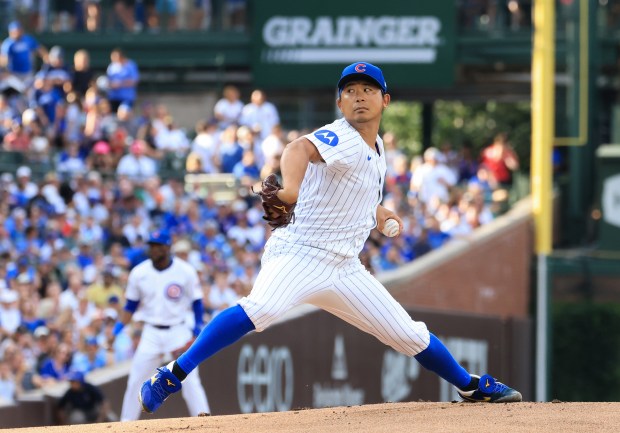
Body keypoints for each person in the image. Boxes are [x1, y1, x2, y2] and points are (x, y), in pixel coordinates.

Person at [139, 62, 522, 414]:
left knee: (408, 334)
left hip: (344, 267)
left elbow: (354, 192)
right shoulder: (343, 137)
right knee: (262, 309)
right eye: (351, 90)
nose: (359, 95)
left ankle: (471, 387)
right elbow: (298, 148)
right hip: (300, 254)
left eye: (368, 89)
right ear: (339, 101)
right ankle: (171, 373)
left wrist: (378, 211)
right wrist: (290, 189)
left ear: (385, 100)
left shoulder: (377, 146)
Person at [110, 230, 210, 421]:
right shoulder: (139, 273)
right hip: (151, 333)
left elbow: (197, 302)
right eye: (151, 246)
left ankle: (205, 420)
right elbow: (130, 306)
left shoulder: (185, 270)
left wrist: (196, 330)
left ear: (167, 247)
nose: (154, 250)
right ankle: (125, 425)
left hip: (178, 330)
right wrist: (116, 330)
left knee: (191, 380)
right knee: (135, 381)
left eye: (157, 246)